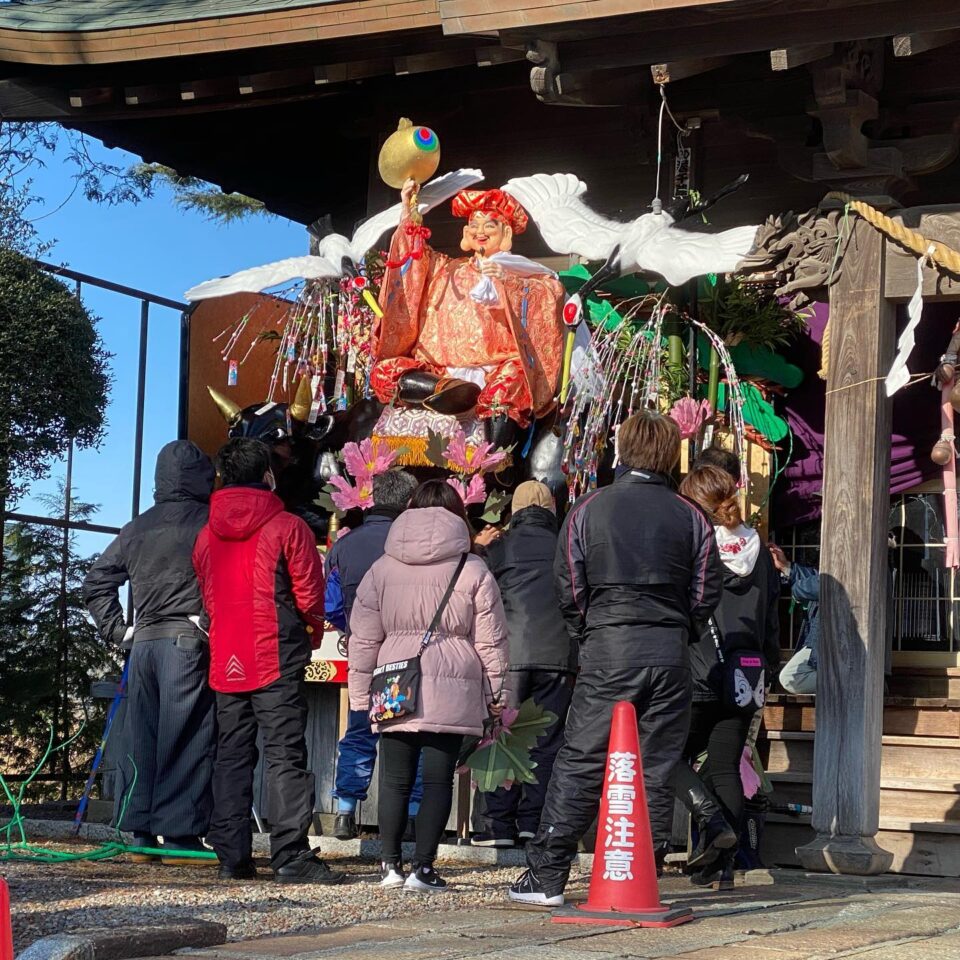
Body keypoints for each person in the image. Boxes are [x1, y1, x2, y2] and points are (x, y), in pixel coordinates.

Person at [510, 411, 724, 906]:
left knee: (581, 758)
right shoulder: (690, 515)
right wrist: (680, 627)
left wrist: (591, 633)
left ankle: (547, 875)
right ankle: (640, 876)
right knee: (656, 765)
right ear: (671, 454)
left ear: (622, 451)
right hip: (669, 650)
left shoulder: (588, 509)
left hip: (609, 644)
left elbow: (569, 584)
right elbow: (705, 588)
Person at [192, 438, 344, 885]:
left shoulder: (206, 533)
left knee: (232, 755)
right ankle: (290, 855)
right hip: (276, 649)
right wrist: (311, 634)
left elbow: (208, 593)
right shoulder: (287, 527)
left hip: (226, 653)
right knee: (284, 754)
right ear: (267, 475)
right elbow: (309, 595)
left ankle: (231, 857)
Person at [348, 479, 508, 892]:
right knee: (438, 780)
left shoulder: (382, 568)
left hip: (394, 677)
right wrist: (495, 694)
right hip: (453, 680)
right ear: (459, 516)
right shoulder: (473, 568)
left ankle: (388, 866)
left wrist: (362, 695)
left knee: (395, 777)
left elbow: (364, 638)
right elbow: (489, 640)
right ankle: (423, 868)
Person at [82, 440, 217, 864]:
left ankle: (138, 832)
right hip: (188, 639)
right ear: (203, 478)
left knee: (141, 736)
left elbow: (96, 582)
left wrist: (118, 631)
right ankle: (180, 836)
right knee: (188, 734)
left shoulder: (137, 527)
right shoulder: (209, 522)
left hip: (142, 645)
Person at [370, 180, 565, 447]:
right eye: (474, 225)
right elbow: (415, 259)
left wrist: (509, 284)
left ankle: (496, 461)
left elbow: (549, 296)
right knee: (385, 372)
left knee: (505, 389)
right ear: (465, 232)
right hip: (441, 370)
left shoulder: (523, 272)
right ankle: (446, 391)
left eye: (489, 225)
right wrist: (409, 211)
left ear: (505, 231)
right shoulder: (448, 268)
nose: (480, 231)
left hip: (495, 366)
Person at [676, 464, 781, 888]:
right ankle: (725, 867)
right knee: (725, 766)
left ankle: (713, 824)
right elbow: (771, 615)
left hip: (698, 667)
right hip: (747, 670)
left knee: (662, 754)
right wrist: (768, 664)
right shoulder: (760, 551)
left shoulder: (694, 546)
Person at [472, 480, 576, 847]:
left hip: (508, 657)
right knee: (547, 742)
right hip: (558, 658)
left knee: (501, 735)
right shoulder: (566, 545)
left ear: (513, 513)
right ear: (551, 511)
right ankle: (534, 821)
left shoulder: (499, 548)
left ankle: (496, 825)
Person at [325, 468, 423, 840]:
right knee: (411, 732)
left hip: (363, 652)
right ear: (409, 503)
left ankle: (346, 812)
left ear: (371, 498)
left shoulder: (344, 546)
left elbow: (330, 603)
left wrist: (349, 625)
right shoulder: (416, 544)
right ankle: (411, 819)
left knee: (359, 731)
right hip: (410, 653)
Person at [769, 543, 820, 695]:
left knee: (792, 676)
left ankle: (854, 682)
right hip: (826, 634)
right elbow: (818, 577)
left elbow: (823, 582)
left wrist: (798, 590)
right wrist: (786, 566)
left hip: (835, 634)